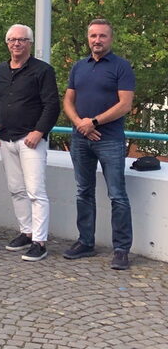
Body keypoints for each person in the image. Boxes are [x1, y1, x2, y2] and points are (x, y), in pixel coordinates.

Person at [62, 19, 135, 270]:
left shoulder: (121, 67)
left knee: (117, 195)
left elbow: (125, 104)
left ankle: (122, 249)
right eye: (93, 36)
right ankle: (85, 242)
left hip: (110, 140)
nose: (97, 40)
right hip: (80, 139)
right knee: (83, 192)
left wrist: (93, 122)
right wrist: (81, 124)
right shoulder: (78, 67)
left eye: (102, 36)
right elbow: (68, 101)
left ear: (110, 39)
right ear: (88, 38)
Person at [0, 24, 60, 262]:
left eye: (21, 40)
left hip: (31, 141)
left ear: (29, 43)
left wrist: (39, 131)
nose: (16, 44)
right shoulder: (0, 71)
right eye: (12, 40)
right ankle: (26, 232)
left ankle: (40, 241)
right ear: (7, 43)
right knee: (16, 189)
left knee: (35, 192)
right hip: (7, 139)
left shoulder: (43, 71)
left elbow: (52, 105)